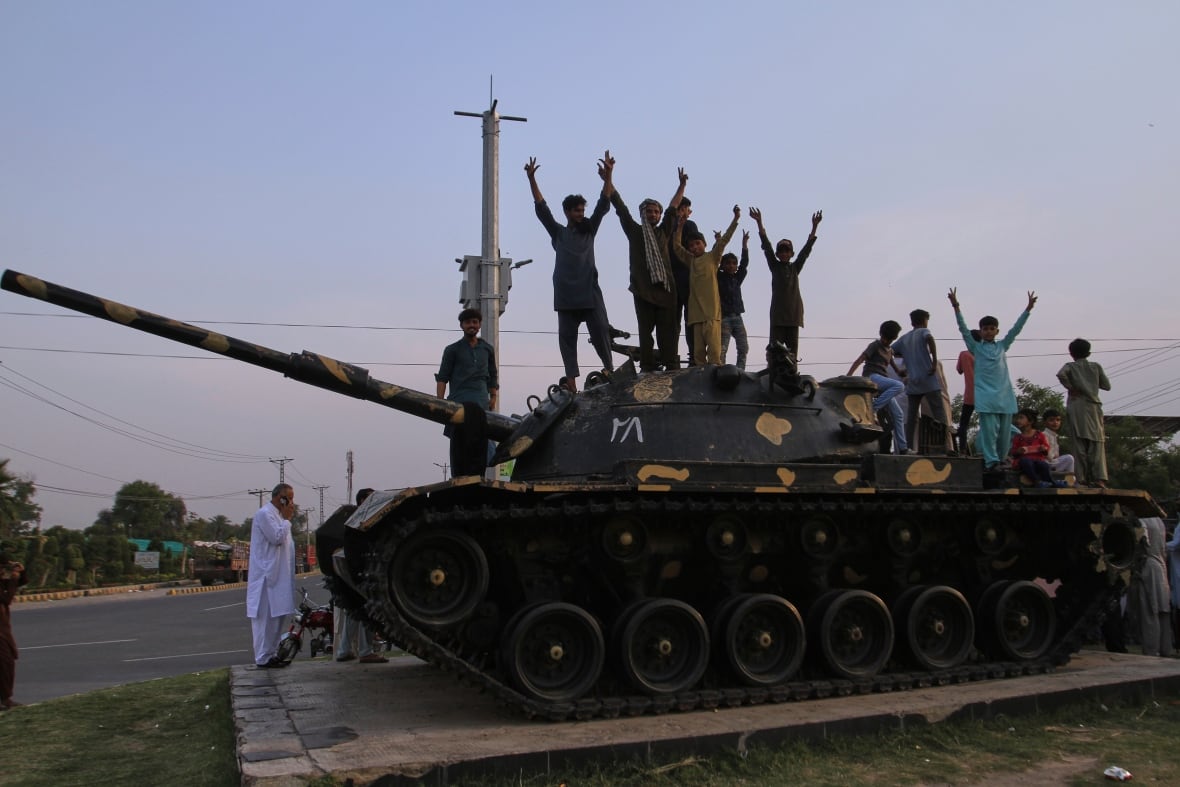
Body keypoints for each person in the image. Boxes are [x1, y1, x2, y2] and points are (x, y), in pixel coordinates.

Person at [525, 153, 614, 392]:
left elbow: (603, 203)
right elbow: (542, 209)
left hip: (589, 291)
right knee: (566, 338)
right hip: (566, 294)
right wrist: (532, 179)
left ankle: (610, 369)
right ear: (567, 212)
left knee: (601, 330)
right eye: (576, 211)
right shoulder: (559, 233)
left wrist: (609, 176)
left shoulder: (589, 230)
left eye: (582, 210)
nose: (581, 214)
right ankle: (571, 381)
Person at [608, 159, 688, 372]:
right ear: (642, 213)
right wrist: (608, 179)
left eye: (656, 212)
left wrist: (682, 185)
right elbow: (620, 207)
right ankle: (647, 367)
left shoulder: (664, 231)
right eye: (649, 211)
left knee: (668, 332)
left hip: (665, 291)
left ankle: (671, 367)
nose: (653, 214)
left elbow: (673, 207)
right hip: (643, 290)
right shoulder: (634, 231)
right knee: (645, 332)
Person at [948, 288, 1036, 472]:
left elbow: (1016, 329)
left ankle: (1002, 459)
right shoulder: (975, 348)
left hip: (1004, 395)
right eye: (985, 329)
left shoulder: (1003, 345)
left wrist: (1028, 309)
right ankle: (991, 461)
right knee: (989, 431)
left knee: (1005, 433)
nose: (988, 331)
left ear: (997, 330)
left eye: (991, 329)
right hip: (985, 397)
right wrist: (956, 306)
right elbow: (963, 329)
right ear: (980, 331)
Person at [748, 207, 822, 359]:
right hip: (778, 316)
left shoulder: (795, 268)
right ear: (777, 254)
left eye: (786, 251)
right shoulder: (774, 266)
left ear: (791, 253)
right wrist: (759, 222)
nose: (783, 253)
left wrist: (814, 227)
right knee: (774, 353)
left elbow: (806, 251)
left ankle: (792, 373)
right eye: (781, 251)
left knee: (792, 355)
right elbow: (767, 247)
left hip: (794, 316)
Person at [671, 205, 741, 365]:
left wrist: (735, 219)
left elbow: (725, 239)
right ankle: (701, 380)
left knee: (715, 354)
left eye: (697, 243)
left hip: (712, 314)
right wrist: (680, 227)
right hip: (696, 316)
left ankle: (716, 378)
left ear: (704, 244)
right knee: (698, 354)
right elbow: (676, 247)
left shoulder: (712, 257)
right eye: (691, 246)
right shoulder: (691, 260)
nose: (695, 247)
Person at [435, 307, 499, 475]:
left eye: (475, 322)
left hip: (481, 402)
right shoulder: (452, 350)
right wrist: (439, 402)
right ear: (461, 325)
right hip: (459, 402)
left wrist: (493, 396)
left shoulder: (487, 349)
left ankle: (479, 476)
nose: (472, 325)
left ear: (479, 325)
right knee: (460, 441)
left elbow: (492, 375)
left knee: (483, 443)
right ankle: (460, 476)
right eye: (468, 322)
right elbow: (443, 377)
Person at [335, 489, 389, 664]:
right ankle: (366, 651)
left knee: (353, 613)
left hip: (352, 572)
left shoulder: (355, 520)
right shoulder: (364, 521)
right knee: (367, 611)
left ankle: (344, 650)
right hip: (361, 572)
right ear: (362, 501)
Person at [247, 484, 297, 669]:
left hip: (279, 577)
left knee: (277, 618)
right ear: (279, 497)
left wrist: (285, 519)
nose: (291, 502)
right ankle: (262, 657)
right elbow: (276, 538)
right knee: (265, 621)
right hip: (266, 578)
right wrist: (287, 519)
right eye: (288, 498)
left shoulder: (279, 516)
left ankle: (272, 654)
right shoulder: (265, 514)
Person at [847, 320, 909, 454]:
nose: (886, 341)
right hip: (871, 377)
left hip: (882, 382)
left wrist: (904, 372)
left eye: (889, 340)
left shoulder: (890, 351)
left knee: (898, 414)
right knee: (899, 386)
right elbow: (860, 360)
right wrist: (848, 376)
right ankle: (873, 408)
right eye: (885, 338)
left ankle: (903, 448)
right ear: (881, 334)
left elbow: (896, 370)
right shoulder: (875, 345)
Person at [891, 308, 949, 454]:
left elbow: (890, 351)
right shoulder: (924, 331)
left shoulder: (904, 338)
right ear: (925, 321)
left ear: (912, 322)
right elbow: (930, 339)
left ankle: (908, 448)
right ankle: (944, 446)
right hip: (928, 379)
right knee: (939, 413)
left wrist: (900, 369)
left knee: (912, 418)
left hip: (913, 381)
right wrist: (934, 361)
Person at [1056, 338, 1111, 487]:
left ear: (1071, 353)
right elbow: (1106, 386)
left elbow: (1061, 374)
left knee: (1078, 443)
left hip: (1076, 406)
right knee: (1097, 442)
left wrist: (1071, 387)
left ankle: (1081, 478)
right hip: (1093, 407)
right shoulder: (1096, 367)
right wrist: (1091, 383)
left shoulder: (1070, 366)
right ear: (1088, 353)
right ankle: (1099, 478)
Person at [1133, 515, 1174, 657]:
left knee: (1150, 610)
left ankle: (1151, 648)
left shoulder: (1142, 519)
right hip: (1161, 565)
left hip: (1149, 565)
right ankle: (1165, 648)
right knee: (1163, 610)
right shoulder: (1159, 521)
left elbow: (1143, 541)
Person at [668, 197, 701, 364]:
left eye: (686, 210)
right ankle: (671, 357)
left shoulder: (689, 225)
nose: (684, 213)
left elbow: (693, 248)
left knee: (690, 320)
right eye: (681, 209)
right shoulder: (668, 225)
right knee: (673, 321)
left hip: (687, 278)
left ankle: (694, 356)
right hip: (672, 278)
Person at [0, 541, 29, 709]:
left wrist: (21, 573)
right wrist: (12, 581)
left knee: (6, 662)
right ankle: (5, 699)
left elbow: (21, 582)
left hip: (3, 628)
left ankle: (5, 698)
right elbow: (6, 599)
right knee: (5, 662)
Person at [718, 231, 751, 369]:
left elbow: (744, 264)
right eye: (728, 263)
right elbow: (715, 259)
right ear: (722, 265)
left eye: (734, 263)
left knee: (743, 346)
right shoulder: (718, 277)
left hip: (737, 316)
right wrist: (719, 243)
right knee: (722, 347)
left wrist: (744, 245)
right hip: (724, 317)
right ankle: (720, 370)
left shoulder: (737, 278)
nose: (731, 266)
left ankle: (740, 370)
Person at [1010, 409, 1063, 487]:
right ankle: (1037, 482)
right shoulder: (1018, 437)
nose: (1018, 420)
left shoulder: (1039, 435)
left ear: (1030, 421)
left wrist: (1043, 449)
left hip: (1037, 460)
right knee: (1026, 461)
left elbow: (1046, 449)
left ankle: (1051, 482)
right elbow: (1013, 452)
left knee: (1043, 465)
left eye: (1021, 418)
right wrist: (1018, 451)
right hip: (1024, 462)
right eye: (1018, 418)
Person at [955, 329, 980, 455]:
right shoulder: (984, 355)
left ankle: (963, 449)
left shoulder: (964, 354)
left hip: (970, 394)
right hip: (985, 394)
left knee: (964, 423)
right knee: (988, 423)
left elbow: (959, 370)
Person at [1040, 408, 1075, 477]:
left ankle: (1069, 479)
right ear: (1045, 422)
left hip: (1052, 463)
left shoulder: (1054, 436)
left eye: (1058, 420)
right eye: (1051, 420)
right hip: (1045, 464)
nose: (1055, 422)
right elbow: (1048, 456)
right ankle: (1071, 480)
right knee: (1069, 458)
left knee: (1070, 459)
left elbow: (1056, 455)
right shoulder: (1043, 435)